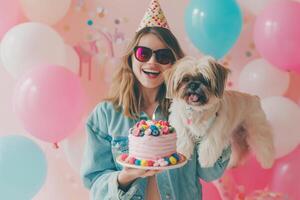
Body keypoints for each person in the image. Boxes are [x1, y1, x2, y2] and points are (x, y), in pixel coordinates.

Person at [80, 0, 231, 199]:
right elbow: (94, 183)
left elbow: (210, 173)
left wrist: (221, 129)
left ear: (175, 66)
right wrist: (125, 176)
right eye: (143, 53)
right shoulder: (105, 114)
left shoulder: (190, 111)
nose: (152, 62)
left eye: (163, 56)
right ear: (131, 58)